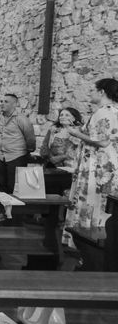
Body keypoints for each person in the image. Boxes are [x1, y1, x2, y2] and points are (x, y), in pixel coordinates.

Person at [65, 78, 118, 233]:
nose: (90, 93)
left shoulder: (102, 112)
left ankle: (86, 237)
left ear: (101, 92)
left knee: (90, 200)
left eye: (92, 90)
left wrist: (76, 133)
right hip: (110, 162)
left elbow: (102, 142)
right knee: (102, 202)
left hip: (95, 164)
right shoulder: (114, 110)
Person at [0, 93, 36, 194]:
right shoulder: (0, 118)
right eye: (2, 101)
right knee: (2, 185)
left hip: (16, 157)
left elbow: (30, 138)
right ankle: (4, 208)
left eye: (6, 102)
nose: (2, 104)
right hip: (1, 156)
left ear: (14, 104)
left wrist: (27, 152)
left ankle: (14, 210)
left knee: (14, 187)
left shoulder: (21, 119)